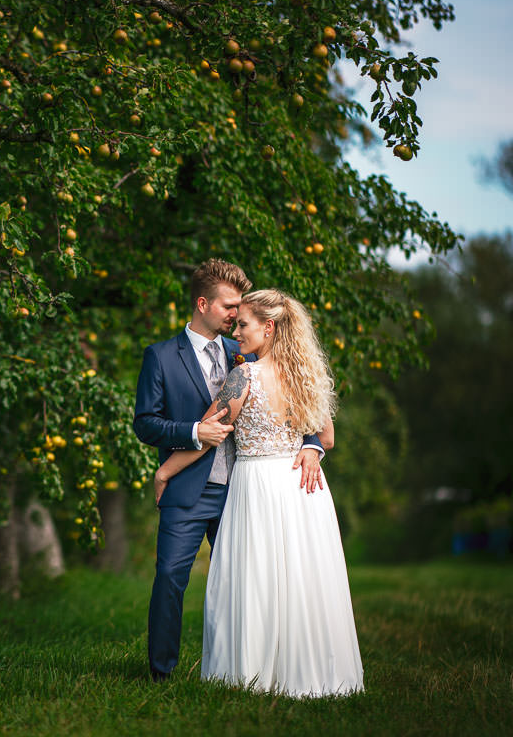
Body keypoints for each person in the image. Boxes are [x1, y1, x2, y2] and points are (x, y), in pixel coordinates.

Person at [154, 288, 362, 697]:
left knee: (257, 580)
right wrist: (310, 447)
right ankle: (309, 674)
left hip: (259, 488)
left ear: (269, 328)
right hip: (301, 489)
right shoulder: (305, 375)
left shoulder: (243, 376)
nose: (237, 333)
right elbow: (328, 437)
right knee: (300, 580)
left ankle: (252, 673)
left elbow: (208, 433)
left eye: (244, 325)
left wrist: (164, 471)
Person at [133, 261, 326, 682]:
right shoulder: (161, 357)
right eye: (229, 307)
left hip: (245, 489)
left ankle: (250, 668)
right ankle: (161, 673)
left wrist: (312, 447)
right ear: (203, 304)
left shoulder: (245, 353)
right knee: (169, 577)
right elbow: (145, 422)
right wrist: (192, 431)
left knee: (252, 581)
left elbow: (305, 409)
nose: (236, 317)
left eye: (241, 311)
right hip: (189, 488)